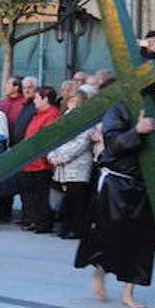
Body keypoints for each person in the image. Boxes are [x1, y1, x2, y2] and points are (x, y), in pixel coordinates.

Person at [74, 97, 155, 308]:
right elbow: (113, 143)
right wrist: (137, 131)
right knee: (110, 235)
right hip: (116, 183)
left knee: (142, 241)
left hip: (147, 184)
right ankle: (100, 270)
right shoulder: (118, 108)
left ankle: (128, 292)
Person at [47, 91, 96, 240]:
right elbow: (54, 138)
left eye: (76, 99)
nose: (73, 102)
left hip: (78, 164)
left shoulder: (88, 118)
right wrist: (53, 155)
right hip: (61, 165)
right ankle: (65, 227)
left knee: (77, 198)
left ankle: (77, 229)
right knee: (65, 198)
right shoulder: (64, 117)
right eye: (71, 99)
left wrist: (62, 157)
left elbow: (82, 142)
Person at [19, 87, 62, 233]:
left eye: (37, 98)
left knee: (42, 195)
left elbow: (46, 139)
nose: (35, 101)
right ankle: (34, 220)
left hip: (42, 163)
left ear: (45, 99)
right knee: (31, 194)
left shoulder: (52, 115)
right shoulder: (38, 114)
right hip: (30, 161)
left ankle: (43, 223)